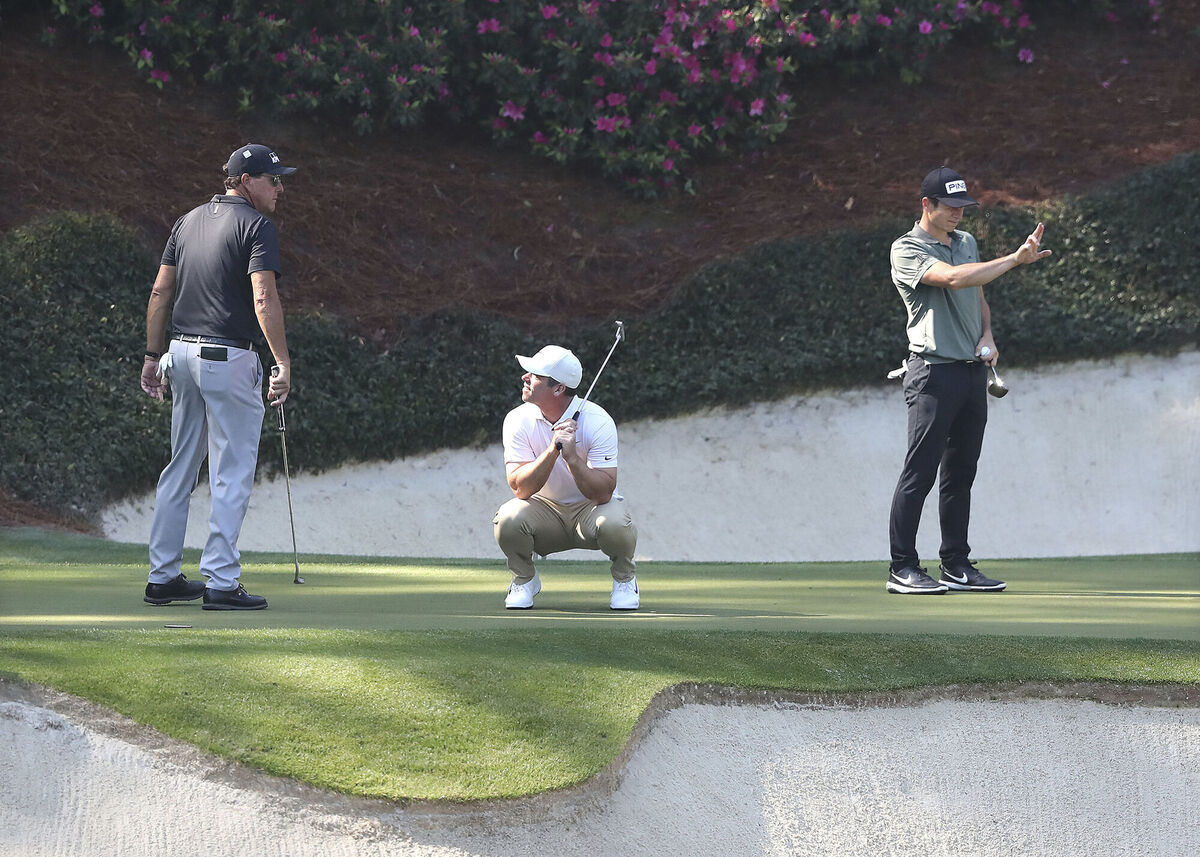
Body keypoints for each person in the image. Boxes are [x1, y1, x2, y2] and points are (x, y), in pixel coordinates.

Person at [139, 144, 296, 610]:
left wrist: (152, 356)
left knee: (181, 466)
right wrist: (283, 362)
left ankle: (162, 577)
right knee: (231, 471)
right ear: (245, 180)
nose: (280, 187)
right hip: (229, 359)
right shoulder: (257, 225)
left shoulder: (186, 221)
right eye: (273, 179)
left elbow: (160, 290)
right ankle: (222, 582)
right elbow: (264, 299)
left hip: (180, 354)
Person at [886, 166, 1051, 595]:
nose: (959, 214)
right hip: (932, 375)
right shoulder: (906, 249)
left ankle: (956, 565)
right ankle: (902, 568)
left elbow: (975, 293)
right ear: (927, 205)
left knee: (960, 475)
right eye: (951, 207)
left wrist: (988, 335)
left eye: (964, 207)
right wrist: (1014, 260)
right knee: (918, 475)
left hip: (972, 374)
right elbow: (953, 278)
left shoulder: (966, 242)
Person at [493, 345, 640, 610]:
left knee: (616, 521)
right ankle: (524, 579)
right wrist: (553, 450)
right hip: (544, 512)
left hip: (591, 511)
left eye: (534, 375)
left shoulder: (598, 420)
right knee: (508, 518)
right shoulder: (516, 419)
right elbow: (519, 489)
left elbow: (604, 492)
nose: (524, 377)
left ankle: (625, 579)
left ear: (559, 388)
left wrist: (572, 457)